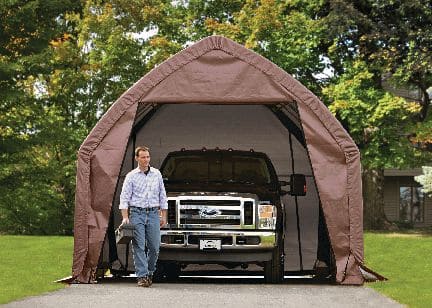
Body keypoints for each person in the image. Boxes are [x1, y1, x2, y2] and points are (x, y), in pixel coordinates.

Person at [119, 146, 168, 287]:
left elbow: (162, 196)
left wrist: (163, 215)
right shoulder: (131, 176)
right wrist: (125, 217)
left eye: (148, 157)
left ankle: (150, 271)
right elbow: (124, 198)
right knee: (138, 246)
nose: (146, 160)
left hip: (153, 214)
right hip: (136, 214)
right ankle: (142, 276)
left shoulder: (157, 174)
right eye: (143, 157)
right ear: (137, 158)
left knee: (154, 247)